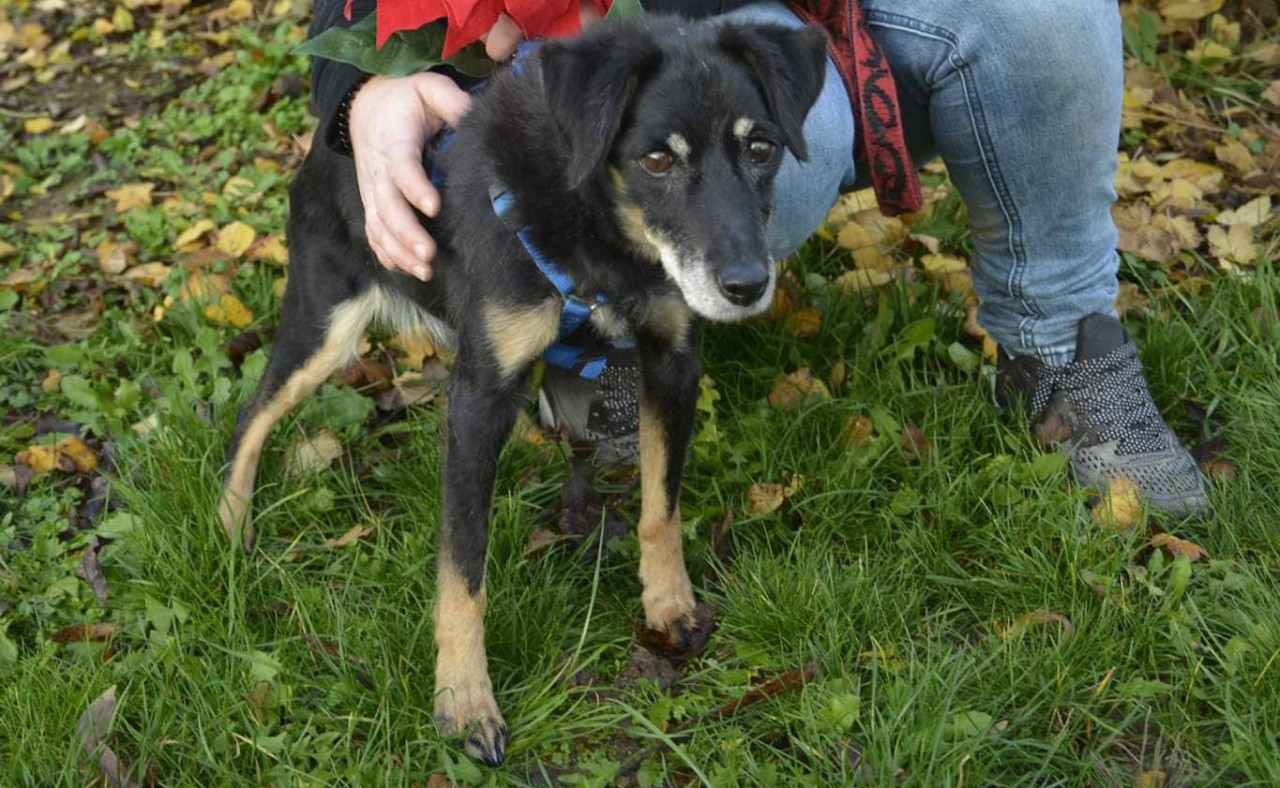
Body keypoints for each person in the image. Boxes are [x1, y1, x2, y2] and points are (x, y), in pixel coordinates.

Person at [306, 0, 1211, 516]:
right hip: (611, 59)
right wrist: (362, 84)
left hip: (801, 19)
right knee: (707, 154)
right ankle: (596, 344)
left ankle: (1061, 343)